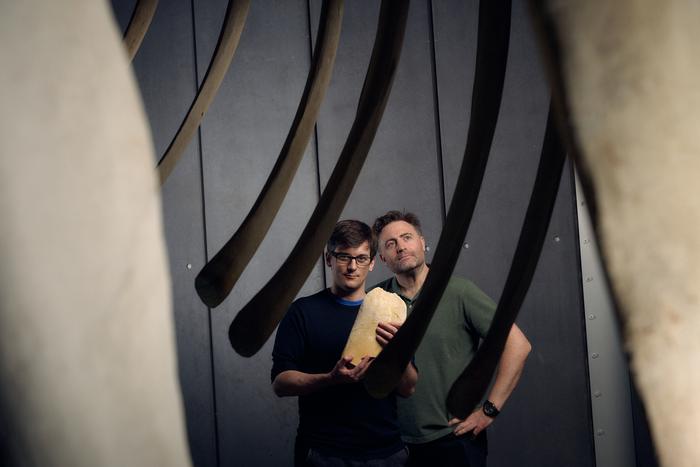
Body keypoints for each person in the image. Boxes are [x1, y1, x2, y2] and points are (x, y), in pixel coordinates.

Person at [371, 211, 531, 467]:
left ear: (422, 242)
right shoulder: (374, 300)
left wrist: (490, 410)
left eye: (406, 237)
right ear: (382, 258)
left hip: (455, 440)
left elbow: (518, 345)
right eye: (391, 244)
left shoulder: (458, 291)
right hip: (394, 446)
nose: (401, 247)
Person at [271, 219, 419, 467]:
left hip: (386, 453)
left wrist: (398, 351)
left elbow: (408, 388)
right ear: (329, 258)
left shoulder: (390, 310)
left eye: (361, 258)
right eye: (343, 257)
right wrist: (330, 378)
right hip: (323, 453)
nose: (352, 266)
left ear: (372, 263)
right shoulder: (303, 312)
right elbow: (280, 383)